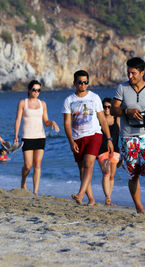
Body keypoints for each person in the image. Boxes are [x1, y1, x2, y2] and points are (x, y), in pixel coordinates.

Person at [111, 57, 145, 216]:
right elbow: (114, 110)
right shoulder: (122, 88)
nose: (130, 76)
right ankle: (139, 208)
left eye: (133, 73)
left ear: (142, 72)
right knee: (133, 175)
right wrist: (127, 111)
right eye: (128, 73)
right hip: (128, 138)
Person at [62, 70, 114, 206]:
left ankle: (80, 194)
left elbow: (102, 119)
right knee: (81, 169)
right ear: (74, 83)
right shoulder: (69, 100)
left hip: (94, 135)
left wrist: (109, 139)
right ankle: (91, 199)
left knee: (88, 164)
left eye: (86, 82)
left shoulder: (94, 97)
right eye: (80, 82)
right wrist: (71, 141)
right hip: (77, 137)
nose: (83, 85)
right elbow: (67, 123)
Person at [14, 80, 60, 196]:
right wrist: (15, 135)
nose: (36, 92)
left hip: (40, 137)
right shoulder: (23, 103)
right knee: (28, 165)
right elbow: (18, 120)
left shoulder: (42, 104)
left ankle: (35, 191)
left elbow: (46, 121)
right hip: (27, 137)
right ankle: (23, 180)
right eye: (34, 90)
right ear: (29, 90)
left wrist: (52, 123)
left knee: (38, 164)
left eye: (38, 90)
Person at [97, 97, 120, 206]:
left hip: (115, 149)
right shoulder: (98, 119)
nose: (106, 109)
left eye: (109, 107)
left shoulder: (116, 119)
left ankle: (109, 198)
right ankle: (107, 198)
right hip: (101, 149)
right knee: (106, 173)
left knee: (112, 176)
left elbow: (122, 133)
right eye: (104, 107)